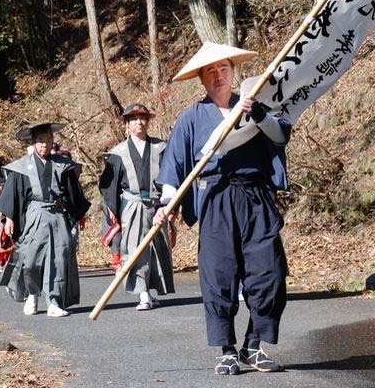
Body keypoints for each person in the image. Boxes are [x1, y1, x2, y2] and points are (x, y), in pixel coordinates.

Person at [155, 42, 290, 375]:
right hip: (216, 199)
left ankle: (253, 346)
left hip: (256, 198)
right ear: (202, 79)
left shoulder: (253, 107)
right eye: (211, 72)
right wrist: (166, 203)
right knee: (219, 275)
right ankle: (227, 350)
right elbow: (175, 164)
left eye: (224, 70)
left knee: (268, 272)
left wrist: (257, 114)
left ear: (234, 73)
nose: (218, 77)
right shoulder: (191, 118)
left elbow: (280, 136)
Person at [0, 122, 90, 317]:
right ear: (33, 143)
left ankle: (54, 301)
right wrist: (9, 218)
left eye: (48, 140)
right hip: (34, 214)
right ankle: (32, 293)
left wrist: (79, 214)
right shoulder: (22, 167)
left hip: (58, 215)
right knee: (31, 259)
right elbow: (13, 195)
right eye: (40, 141)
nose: (45, 145)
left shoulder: (63, 165)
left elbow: (73, 193)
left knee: (59, 258)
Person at [99, 103, 175, 311]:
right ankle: (142, 293)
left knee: (157, 248)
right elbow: (109, 185)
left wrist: (171, 206)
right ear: (127, 125)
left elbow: (171, 177)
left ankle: (150, 289)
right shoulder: (118, 153)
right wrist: (112, 209)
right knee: (134, 249)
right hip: (132, 205)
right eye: (134, 119)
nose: (139, 122)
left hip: (158, 205)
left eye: (143, 118)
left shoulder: (161, 147)